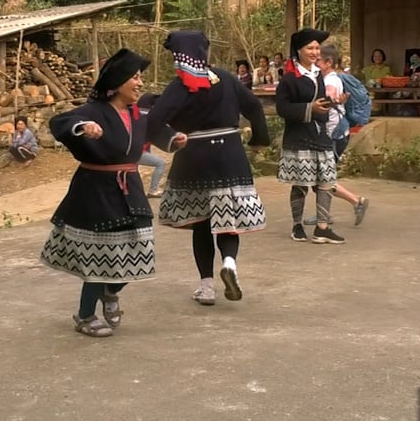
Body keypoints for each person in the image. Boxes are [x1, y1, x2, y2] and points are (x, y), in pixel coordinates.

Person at [40, 48, 180, 337]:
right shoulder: (94, 111)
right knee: (98, 257)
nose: (140, 83)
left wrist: (173, 139)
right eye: (135, 77)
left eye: (140, 77)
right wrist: (82, 126)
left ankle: (111, 291)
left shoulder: (137, 113)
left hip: (130, 188)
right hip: (96, 190)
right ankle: (85, 316)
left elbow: (156, 129)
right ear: (116, 82)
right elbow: (60, 123)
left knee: (141, 250)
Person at [147, 30, 270, 305]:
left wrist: (171, 140)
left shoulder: (177, 88)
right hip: (231, 157)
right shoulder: (227, 79)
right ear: (206, 52)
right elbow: (254, 107)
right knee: (229, 222)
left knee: (201, 224)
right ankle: (229, 263)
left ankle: (206, 287)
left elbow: (153, 121)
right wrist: (259, 141)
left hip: (193, 160)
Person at [276, 28, 344, 245]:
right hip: (299, 137)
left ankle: (322, 228)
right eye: (310, 48)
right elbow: (282, 108)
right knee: (300, 184)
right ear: (299, 51)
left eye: (317, 48)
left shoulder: (317, 74)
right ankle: (297, 225)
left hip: (319, 135)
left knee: (327, 181)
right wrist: (309, 108)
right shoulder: (289, 78)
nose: (315, 52)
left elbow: (321, 103)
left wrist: (335, 103)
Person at [300, 44, 369, 227]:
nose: (314, 63)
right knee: (319, 177)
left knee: (322, 178)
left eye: (318, 60)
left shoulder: (331, 79)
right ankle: (324, 213)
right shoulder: (327, 78)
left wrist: (329, 101)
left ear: (329, 62)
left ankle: (357, 201)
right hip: (334, 134)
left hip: (333, 135)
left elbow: (329, 95)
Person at [136, 94, 168, 198]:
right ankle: (153, 190)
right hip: (136, 152)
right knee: (161, 163)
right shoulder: (148, 118)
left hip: (134, 150)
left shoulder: (136, 116)